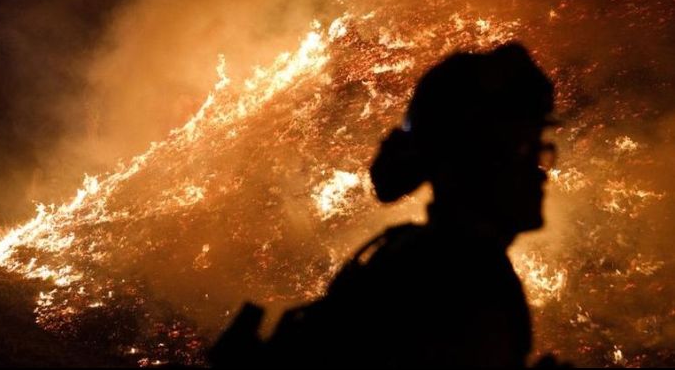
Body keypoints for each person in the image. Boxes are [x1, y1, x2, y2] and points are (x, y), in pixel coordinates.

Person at [211, 42, 558, 368]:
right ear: (470, 162)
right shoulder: (450, 283)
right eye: (524, 151)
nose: (542, 173)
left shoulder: (426, 264)